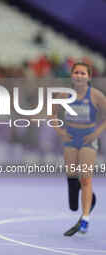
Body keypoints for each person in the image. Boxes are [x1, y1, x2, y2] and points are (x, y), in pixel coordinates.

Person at [53, 62, 106, 235]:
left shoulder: (95, 96)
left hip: (87, 139)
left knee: (86, 178)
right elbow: (51, 113)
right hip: (70, 139)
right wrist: (59, 131)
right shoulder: (64, 94)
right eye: (76, 72)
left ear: (89, 77)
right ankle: (79, 200)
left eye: (83, 73)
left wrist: (95, 133)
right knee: (72, 176)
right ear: (72, 75)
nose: (79, 75)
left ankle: (85, 218)